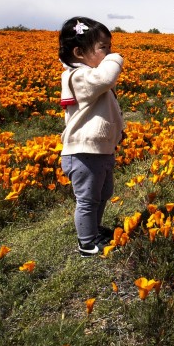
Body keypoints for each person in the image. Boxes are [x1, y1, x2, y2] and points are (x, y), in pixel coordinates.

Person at [58, 17, 125, 257]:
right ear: (79, 52)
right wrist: (115, 58)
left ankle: (94, 230)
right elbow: (106, 79)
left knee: (102, 194)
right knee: (87, 200)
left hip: (100, 151)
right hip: (83, 154)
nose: (109, 52)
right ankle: (86, 243)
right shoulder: (78, 77)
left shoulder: (89, 77)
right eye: (103, 47)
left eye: (110, 47)